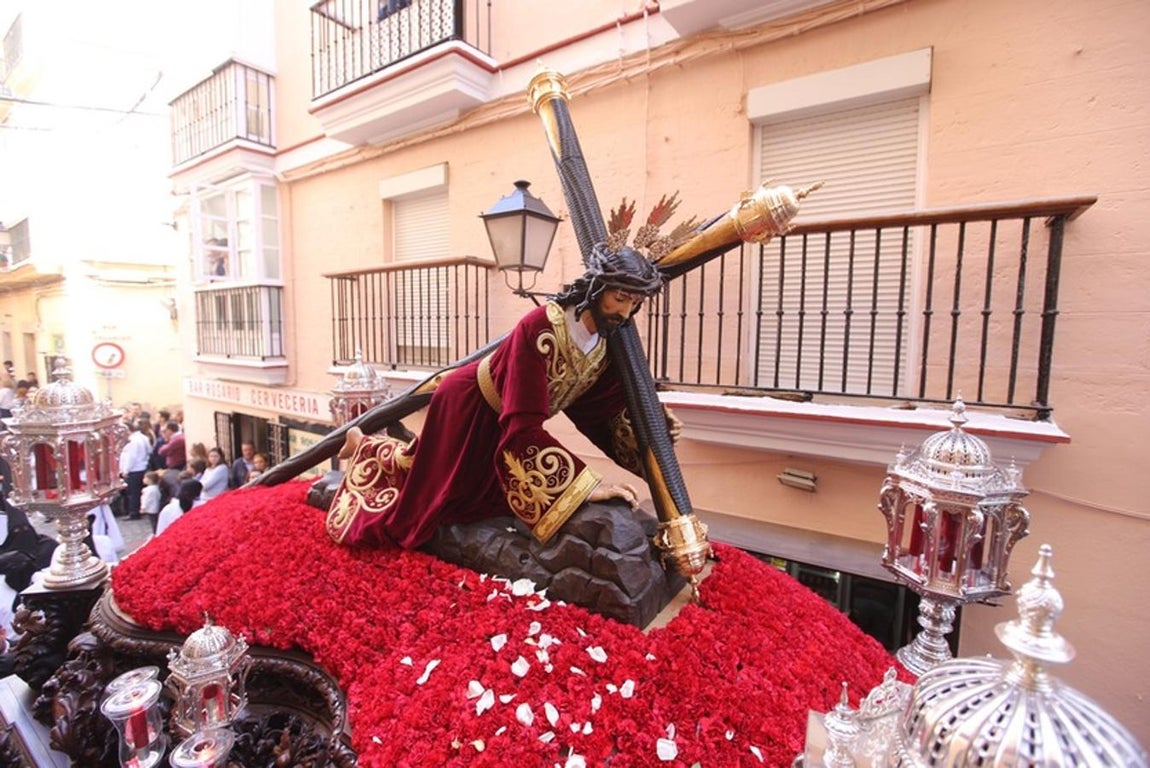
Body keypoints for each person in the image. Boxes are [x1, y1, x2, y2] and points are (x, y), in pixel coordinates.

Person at [326, 245, 677, 550]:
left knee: (445, 485)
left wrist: (654, 425)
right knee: (422, 485)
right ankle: (362, 444)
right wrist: (583, 488)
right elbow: (524, 424)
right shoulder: (540, 327)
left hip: (505, 425)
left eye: (635, 303)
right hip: (469, 407)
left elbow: (604, 410)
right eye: (620, 298)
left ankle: (362, 443)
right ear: (598, 288)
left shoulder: (605, 344)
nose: (626, 313)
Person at [118, 418, 153, 520]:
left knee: (133, 493)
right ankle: (136, 511)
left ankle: (134, 513)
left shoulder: (132, 441)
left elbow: (131, 457)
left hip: (134, 469)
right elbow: (149, 451)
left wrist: (125, 470)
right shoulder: (143, 437)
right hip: (142, 467)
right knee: (136, 492)